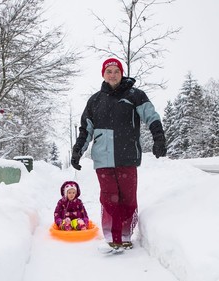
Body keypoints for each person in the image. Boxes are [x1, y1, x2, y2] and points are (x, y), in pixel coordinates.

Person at [71, 58, 167, 251]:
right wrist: (77, 151)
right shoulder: (95, 100)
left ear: (121, 73)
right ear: (103, 75)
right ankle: (112, 237)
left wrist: (159, 138)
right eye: (109, 71)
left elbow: (151, 116)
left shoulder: (135, 95)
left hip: (127, 156)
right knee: (109, 197)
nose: (112, 74)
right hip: (102, 158)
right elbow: (85, 130)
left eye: (116, 71)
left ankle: (125, 235)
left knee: (128, 197)